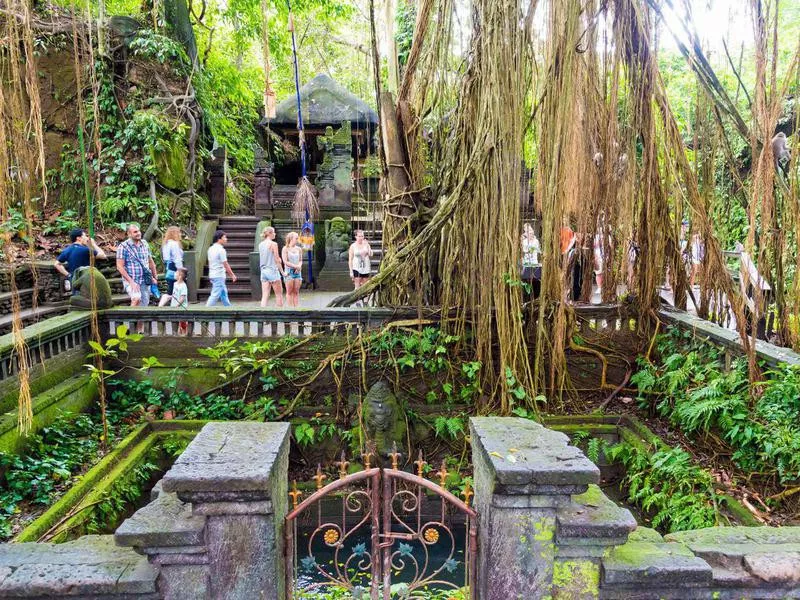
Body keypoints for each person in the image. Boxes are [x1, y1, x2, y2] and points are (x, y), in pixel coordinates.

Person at [116, 223, 157, 309]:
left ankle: (139, 323)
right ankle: (128, 321)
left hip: (145, 280)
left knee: (143, 307)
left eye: (138, 231)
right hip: (132, 279)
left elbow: (150, 261)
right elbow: (119, 266)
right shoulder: (123, 247)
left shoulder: (145, 244)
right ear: (129, 234)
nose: (138, 233)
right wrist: (131, 282)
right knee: (136, 298)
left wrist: (155, 277)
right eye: (135, 232)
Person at [206, 230, 237, 307]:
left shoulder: (210, 249)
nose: (226, 239)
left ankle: (229, 310)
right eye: (224, 237)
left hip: (213, 274)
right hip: (219, 275)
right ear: (219, 239)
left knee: (224, 294)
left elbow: (210, 263)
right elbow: (225, 264)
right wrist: (232, 275)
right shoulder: (221, 250)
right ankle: (205, 311)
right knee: (215, 295)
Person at [259, 226, 284, 308]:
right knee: (279, 294)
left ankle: (262, 316)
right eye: (273, 232)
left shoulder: (260, 244)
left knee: (265, 295)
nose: (275, 234)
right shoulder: (273, 244)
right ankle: (280, 316)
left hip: (263, 271)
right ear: (269, 233)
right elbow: (277, 259)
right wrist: (282, 272)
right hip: (272, 270)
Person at [159, 226, 184, 302]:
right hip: (175, 267)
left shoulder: (166, 243)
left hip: (169, 266)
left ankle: (166, 303)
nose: (180, 234)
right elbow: (177, 258)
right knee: (177, 288)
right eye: (178, 232)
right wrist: (180, 270)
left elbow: (166, 258)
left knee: (171, 286)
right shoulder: (174, 244)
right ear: (174, 233)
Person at [282, 231, 303, 308]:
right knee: (289, 292)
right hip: (289, 272)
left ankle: (297, 309)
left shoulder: (299, 249)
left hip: (298, 272)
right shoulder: (285, 249)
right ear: (291, 239)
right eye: (296, 238)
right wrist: (295, 266)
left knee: (296, 292)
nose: (297, 240)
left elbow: (300, 260)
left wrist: (299, 266)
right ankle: (290, 309)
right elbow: (285, 261)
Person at [521, 223, 541, 298]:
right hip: (526, 263)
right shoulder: (524, 241)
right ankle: (527, 297)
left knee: (536, 279)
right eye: (527, 232)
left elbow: (539, 251)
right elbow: (523, 251)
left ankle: (536, 296)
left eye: (531, 231)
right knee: (526, 280)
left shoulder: (536, 241)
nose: (530, 233)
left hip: (534, 263)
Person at [170, 267, 189, 335]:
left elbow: (182, 297)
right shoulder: (175, 284)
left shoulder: (183, 286)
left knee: (182, 321)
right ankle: (178, 332)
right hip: (174, 305)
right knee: (175, 320)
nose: (174, 274)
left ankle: (184, 333)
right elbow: (174, 294)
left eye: (176, 273)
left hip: (181, 306)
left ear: (180, 276)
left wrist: (177, 305)